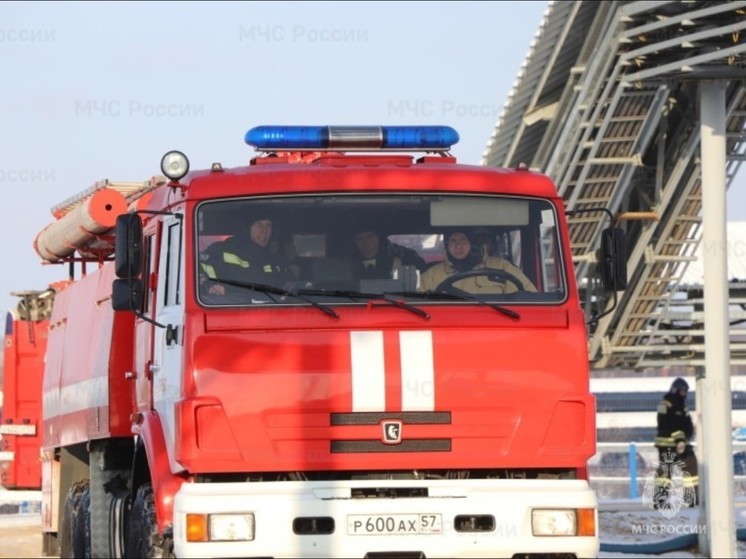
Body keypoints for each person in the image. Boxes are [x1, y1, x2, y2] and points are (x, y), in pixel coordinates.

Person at [419, 230, 536, 294]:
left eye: (463, 240)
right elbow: (416, 305)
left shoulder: (501, 266)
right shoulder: (432, 275)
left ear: (473, 243)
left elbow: (531, 296)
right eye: (453, 241)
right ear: (446, 246)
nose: (458, 246)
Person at [200, 215, 288, 296]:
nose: (265, 230)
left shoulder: (272, 259)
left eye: (268, 225)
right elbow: (198, 275)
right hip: (228, 311)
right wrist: (211, 287)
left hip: (267, 311)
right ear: (248, 227)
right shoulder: (220, 250)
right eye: (259, 224)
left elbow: (276, 287)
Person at [653, 377, 699, 508]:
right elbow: (667, 423)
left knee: (691, 467)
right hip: (667, 444)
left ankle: (691, 497)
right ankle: (660, 500)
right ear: (676, 390)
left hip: (681, 443)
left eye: (685, 391)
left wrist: (685, 438)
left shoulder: (682, 405)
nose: (684, 393)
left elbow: (686, 424)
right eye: (682, 391)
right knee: (665, 473)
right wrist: (679, 438)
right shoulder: (665, 404)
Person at [351, 227, 426, 281]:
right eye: (360, 239)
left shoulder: (404, 255)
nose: (365, 244)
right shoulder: (347, 262)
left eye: (370, 237)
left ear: (380, 239)